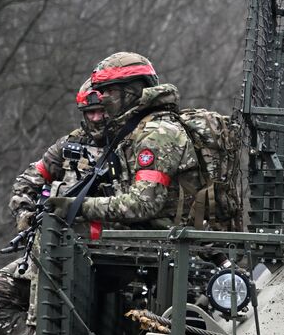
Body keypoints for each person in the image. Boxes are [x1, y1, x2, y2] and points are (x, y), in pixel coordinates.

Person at [0, 79, 108, 335]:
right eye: (90, 113)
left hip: (107, 253)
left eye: (101, 111)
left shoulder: (128, 145)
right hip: (57, 250)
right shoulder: (68, 146)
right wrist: (25, 215)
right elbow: (27, 181)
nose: (96, 119)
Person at [45, 51, 197, 229]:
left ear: (132, 91)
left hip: (166, 246)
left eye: (110, 91)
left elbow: (143, 204)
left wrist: (77, 206)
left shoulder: (157, 134)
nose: (105, 98)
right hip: (144, 243)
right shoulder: (133, 131)